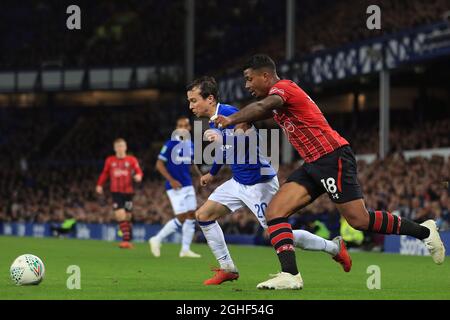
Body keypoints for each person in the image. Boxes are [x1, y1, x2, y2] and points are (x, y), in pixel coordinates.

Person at [213, 54, 445, 290]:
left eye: (249, 79)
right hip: (313, 164)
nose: (247, 85)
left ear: (265, 75)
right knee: (275, 212)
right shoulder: (277, 102)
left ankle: (424, 230)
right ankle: (290, 275)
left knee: (359, 220)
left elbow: (263, 106)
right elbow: (262, 111)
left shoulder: (284, 88)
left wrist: (230, 119)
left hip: (333, 157)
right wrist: (244, 122)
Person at [188, 76, 352, 286]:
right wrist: (212, 172)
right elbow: (226, 150)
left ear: (209, 99)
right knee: (204, 215)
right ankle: (228, 268)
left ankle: (334, 248)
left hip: (259, 182)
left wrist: (223, 139)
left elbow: (246, 139)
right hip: (238, 182)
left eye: (194, 100)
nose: (191, 106)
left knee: (278, 232)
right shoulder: (214, 120)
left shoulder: (229, 113)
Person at [149, 117, 203, 258]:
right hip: (174, 186)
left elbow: (192, 163)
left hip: (188, 184)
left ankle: (185, 249)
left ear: (189, 128)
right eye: (180, 125)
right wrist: (171, 180)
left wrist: (200, 176)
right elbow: (159, 165)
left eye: (185, 125)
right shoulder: (170, 144)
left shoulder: (190, 144)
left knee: (192, 215)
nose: (183, 127)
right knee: (181, 216)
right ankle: (157, 239)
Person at [96, 138, 143, 249]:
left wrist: (138, 177)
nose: (120, 148)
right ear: (115, 148)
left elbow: (139, 171)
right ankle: (126, 241)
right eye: (118, 146)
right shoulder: (110, 160)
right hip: (116, 192)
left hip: (129, 192)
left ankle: (128, 238)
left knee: (127, 216)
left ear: (125, 147)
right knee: (120, 214)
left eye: (122, 146)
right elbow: (105, 173)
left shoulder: (132, 160)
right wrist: (99, 184)